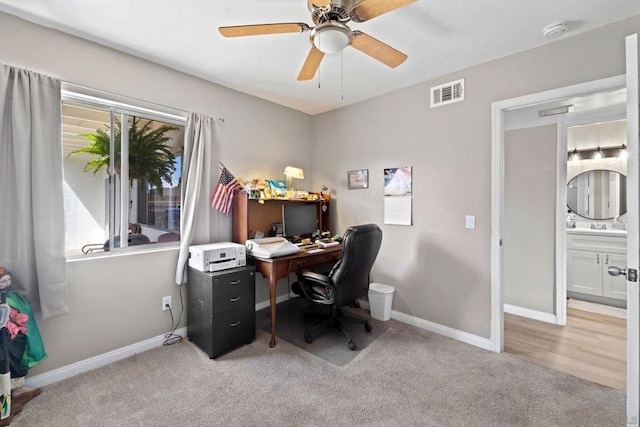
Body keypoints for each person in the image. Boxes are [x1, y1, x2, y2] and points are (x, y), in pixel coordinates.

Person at [0, 268, 46, 415]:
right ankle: (5, 401)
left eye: (8, 280)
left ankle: (17, 390)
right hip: (4, 340)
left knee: (16, 361)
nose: (7, 284)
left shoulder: (13, 296)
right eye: (3, 282)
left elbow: (23, 315)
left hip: (16, 338)